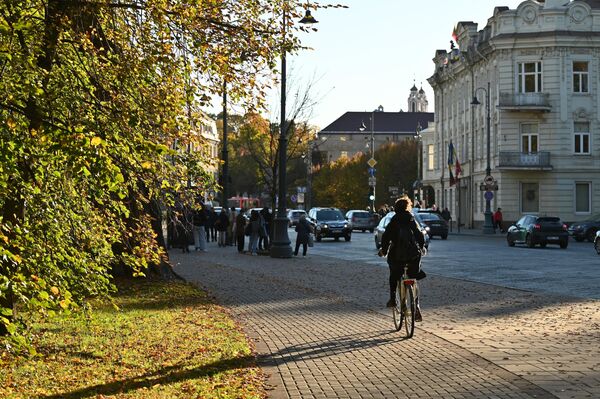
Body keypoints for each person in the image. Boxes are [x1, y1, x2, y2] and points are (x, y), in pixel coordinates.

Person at [378, 195, 426, 322]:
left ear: (396, 208)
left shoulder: (394, 220)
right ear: (407, 207)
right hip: (412, 256)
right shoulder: (411, 219)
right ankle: (416, 306)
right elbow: (419, 234)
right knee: (414, 277)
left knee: (394, 275)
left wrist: (383, 250)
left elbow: (386, 237)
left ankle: (393, 299)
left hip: (397, 255)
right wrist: (422, 247)